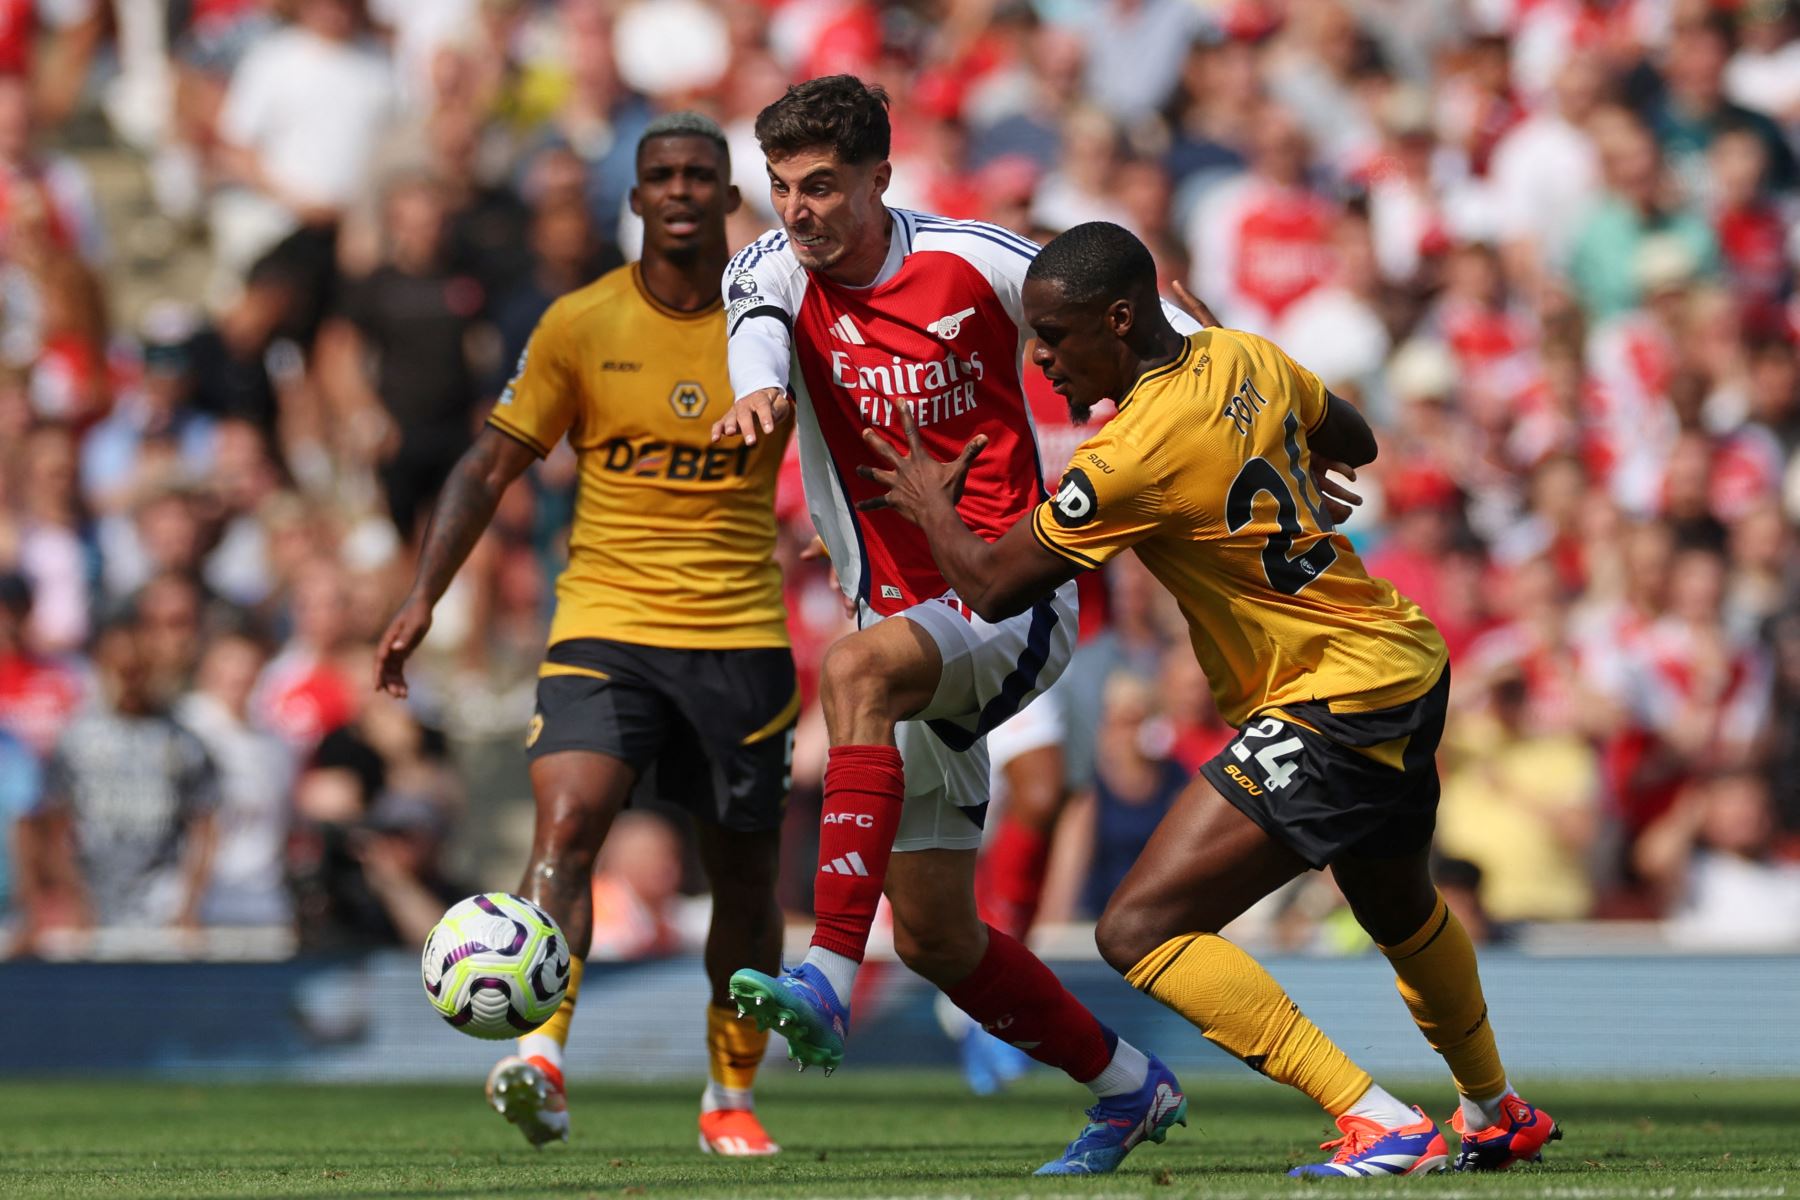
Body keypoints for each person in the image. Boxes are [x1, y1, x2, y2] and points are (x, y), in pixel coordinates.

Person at [858, 220, 1561, 1177]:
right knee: (1395, 907)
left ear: (1119, 318)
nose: (1040, 358)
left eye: (1055, 336)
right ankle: (1496, 1108)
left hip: (1330, 696)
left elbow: (990, 584)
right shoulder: (1240, 351)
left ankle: (1381, 1122)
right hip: (1401, 657)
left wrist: (928, 501)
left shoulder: (1129, 454)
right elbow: (1356, 439)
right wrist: (1271, 420)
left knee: (1139, 929)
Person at [713, 76, 1189, 1177]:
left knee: (857, 671)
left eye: (824, 187)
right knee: (932, 933)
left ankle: (824, 974)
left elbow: (1141, 324)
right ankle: (1128, 1088)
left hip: (1010, 598)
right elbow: (759, 342)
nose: (799, 210)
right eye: (783, 187)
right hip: (902, 616)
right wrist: (756, 398)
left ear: (882, 177)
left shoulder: (976, 259)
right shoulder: (771, 268)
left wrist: (1232, 385)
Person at [373, 113, 793, 1158]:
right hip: (604, 623)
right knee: (565, 833)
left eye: (705, 174)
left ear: (730, 200)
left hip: (740, 633)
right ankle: (540, 1061)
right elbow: (486, 465)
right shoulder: (581, 322)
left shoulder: (780, 321)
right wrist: (426, 595)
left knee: (742, 881)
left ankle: (729, 1095)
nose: (685, 190)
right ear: (639, 200)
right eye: (665, 176)